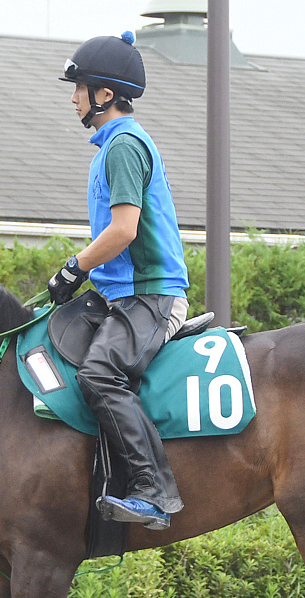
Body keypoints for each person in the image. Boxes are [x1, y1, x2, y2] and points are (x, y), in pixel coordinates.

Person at [48, 30, 189, 532]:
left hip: (151, 296)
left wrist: (75, 266)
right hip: (122, 296)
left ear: (104, 94)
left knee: (99, 376)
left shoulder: (124, 146)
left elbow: (124, 229)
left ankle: (153, 493)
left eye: (79, 87)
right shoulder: (111, 146)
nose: (73, 97)